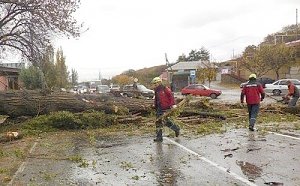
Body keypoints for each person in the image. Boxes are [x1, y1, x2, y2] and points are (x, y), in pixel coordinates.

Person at [151, 77, 180, 142]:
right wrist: (154, 105)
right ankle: (159, 137)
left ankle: (176, 128)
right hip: (158, 108)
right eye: (154, 84)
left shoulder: (165, 89)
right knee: (158, 122)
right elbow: (156, 99)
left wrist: (173, 104)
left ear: (159, 82)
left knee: (165, 121)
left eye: (155, 83)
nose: (154, 85)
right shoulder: (156, 90)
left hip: (165, 108)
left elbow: (171, 96)